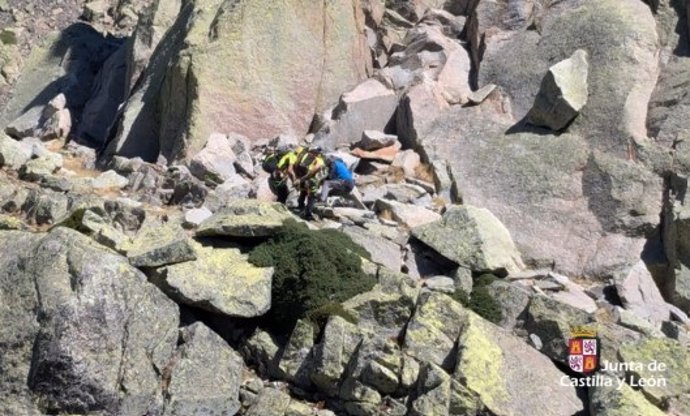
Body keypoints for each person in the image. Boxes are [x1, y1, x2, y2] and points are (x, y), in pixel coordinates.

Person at [293, 147, 327, 220]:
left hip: (306, 177)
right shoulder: (319, 160)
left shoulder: (307, 157)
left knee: (304, 192)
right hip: (312, 179)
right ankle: (308, 214)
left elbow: (297, 165)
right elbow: (313, 171)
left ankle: (300, 207)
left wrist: (300, 178)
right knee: (311, 196)